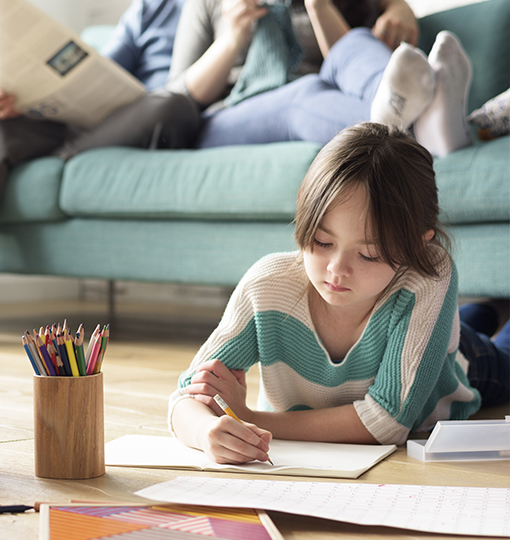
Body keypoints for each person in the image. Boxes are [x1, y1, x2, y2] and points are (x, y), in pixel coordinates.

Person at [169, 123, 508, 464]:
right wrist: (203, 432)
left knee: (491, 350)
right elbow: (187, 394)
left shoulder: (427, 273)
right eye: (322, 242)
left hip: (459, 365)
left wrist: (251, 418)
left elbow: (388, 422)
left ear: (419, 244)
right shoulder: (266, 286)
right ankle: (485, 310)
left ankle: (485, 315)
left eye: (369, 254)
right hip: (415, 332)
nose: (336, 269)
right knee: (462, 323)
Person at [0, 0, 201, 333]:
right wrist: (25, 96)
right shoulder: (155, 7)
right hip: (95, 122)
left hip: (158, 121)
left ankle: (59, 155)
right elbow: (106, 70)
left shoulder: (236, 11)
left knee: (170, 104)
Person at [166, 0, 474, 156]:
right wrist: (230, 40)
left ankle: (424, 121)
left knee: (355, 42)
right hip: (226, 118)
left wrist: (318, 5)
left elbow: (343, 60)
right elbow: (179, 97)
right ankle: (425, 125)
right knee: (304, 93)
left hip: (325, 101)